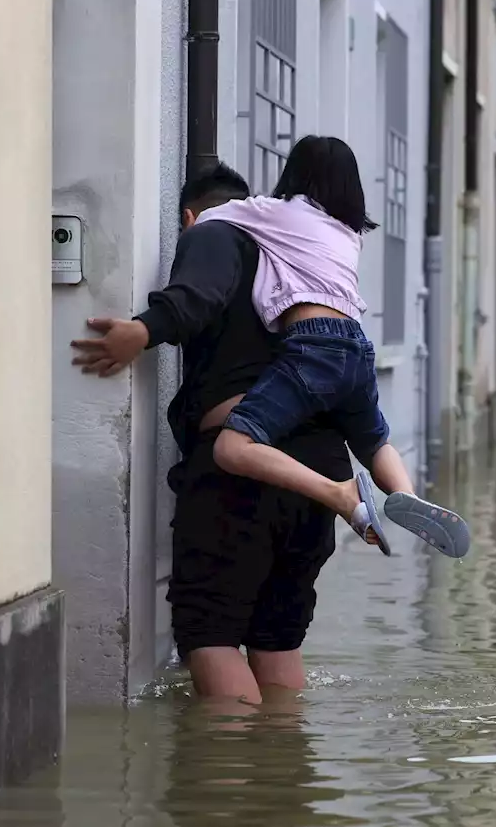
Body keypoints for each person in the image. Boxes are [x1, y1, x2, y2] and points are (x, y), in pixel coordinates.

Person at [70, 162, 352, 703]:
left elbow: (200, 294)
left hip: (243, 471)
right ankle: (281, 774)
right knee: (277, 637)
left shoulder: (215, 230)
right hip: (321, 468)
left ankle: (225, 783)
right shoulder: (298, 253)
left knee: (211, 632)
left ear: (189, 217)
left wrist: (143, 330)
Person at [194, 136, 469, 559]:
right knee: (374, 442)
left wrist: (192, 231)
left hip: (313, 346)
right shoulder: (349, 235)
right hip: (356, 348)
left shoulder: (276, 212)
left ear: (296, 175)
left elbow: (214, 217)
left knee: (230, 448)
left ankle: (340, 493)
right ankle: (406, 494)